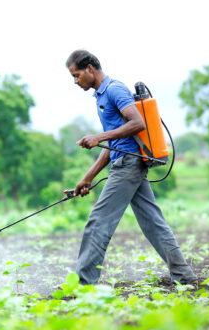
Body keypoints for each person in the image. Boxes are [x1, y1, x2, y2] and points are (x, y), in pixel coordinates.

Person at [64, 49, 198, 286]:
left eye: (76, 75)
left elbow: (138, 123)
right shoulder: (101, 96)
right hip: (126, 162)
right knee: (153, 223)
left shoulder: (114, 89)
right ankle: (184, 276)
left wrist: (99, 136)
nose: (76, 81)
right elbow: (113, 143)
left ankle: (84, 284)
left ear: (90, 69)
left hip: (128, 165)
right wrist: (87, 177)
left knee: (99, 221)